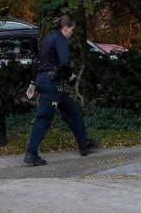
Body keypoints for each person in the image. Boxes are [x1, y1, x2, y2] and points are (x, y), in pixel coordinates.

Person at [23, 15, 99, 166]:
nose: (72, 32)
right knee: (44, 118)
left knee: (72, 111)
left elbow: (38, 61)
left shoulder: (48, 39)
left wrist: (33, 83)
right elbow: (64, 62)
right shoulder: (61, 40)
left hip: (46, 81)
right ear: (66, 28)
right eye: (72, 29)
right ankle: (31, 154)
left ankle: (84, 144)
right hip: (52, 84)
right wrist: (70, 75)